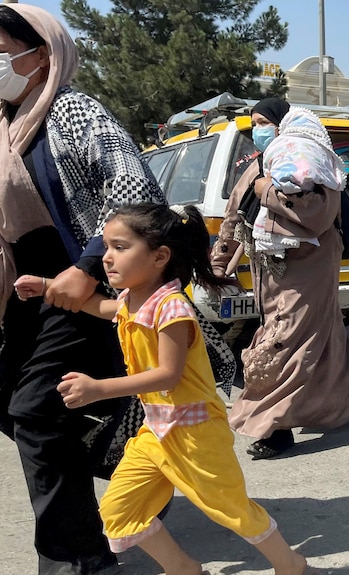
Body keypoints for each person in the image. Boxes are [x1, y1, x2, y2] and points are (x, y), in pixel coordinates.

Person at [15, 203, 309, 575]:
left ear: (160, 257)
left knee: (231, 509)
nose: (106, 258)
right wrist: (46, 287)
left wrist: (98, 388)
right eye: (106, 247)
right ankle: (184, 569)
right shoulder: (133, 299)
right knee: (119, 512)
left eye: (120, 248)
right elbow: (105, 308)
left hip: (195, 433)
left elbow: (168, 375)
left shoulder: (172, 308)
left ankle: (292, 565)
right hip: (155, 433)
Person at [0, 5, 165, 573]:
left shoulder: (70, 112)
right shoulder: (6, 125)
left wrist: (91, 263)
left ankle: (77, 558)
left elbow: (136, 191)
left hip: (83, 294)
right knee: (16, 405)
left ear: (39, 54)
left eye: (0, 50)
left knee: (38, 415)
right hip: (26, 296)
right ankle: (140, 459)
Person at [211, 105, 349, 460]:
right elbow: (234, 216)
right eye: (255, 125)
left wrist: (266, 190)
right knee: (324, 337)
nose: (259, 130)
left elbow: (317, 215)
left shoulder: (311, 164)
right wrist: (219, 261)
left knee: (286, 340)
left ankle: (274, 426)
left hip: (310, 267)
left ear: (284, 125)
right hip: (269, 270)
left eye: (265, 123)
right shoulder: (257, 166)